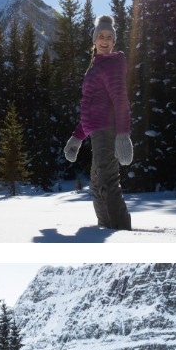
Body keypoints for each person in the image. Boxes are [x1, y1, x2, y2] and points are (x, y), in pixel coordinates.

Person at [63, 15, 133, 231]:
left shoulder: (112, 64)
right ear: (94, 39)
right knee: (97, 183)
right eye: (101, 36)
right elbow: (90, 109)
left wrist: (123, 135)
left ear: (114, 41)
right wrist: (77, 138)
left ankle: (121, 232)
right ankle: (105, 227)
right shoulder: (96, 65)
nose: (105, 40)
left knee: (107, 181)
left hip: (107, 131)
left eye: (109, 37)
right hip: (96, 132)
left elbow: (121, 100)